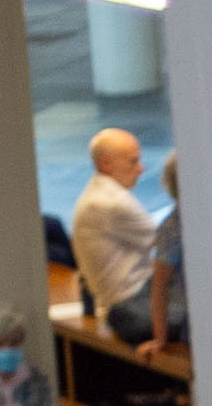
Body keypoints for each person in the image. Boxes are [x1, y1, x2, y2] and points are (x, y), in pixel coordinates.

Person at [68, 121, 163, 338]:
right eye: (133, 161)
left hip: (120, 302)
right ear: (106, 163)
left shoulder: (95, 194)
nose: (141, 169)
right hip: (133, 305)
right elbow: (166, 243)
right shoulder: (113, 201)